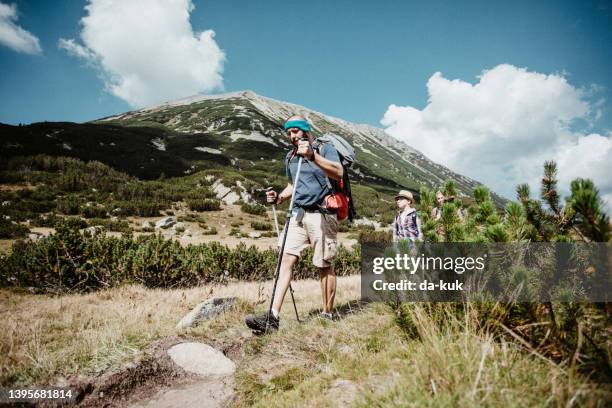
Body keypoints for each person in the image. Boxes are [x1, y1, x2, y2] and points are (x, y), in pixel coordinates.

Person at [245, 115, 344, 333]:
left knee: (324, 264)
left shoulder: (324, 147)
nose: (292, 136)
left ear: (306, 130)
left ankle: (327, 313)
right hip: (297, 215)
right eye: (289, 133)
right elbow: (293, 184)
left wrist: (312, 156)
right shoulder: (290, 157)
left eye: (296, 131)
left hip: (322, 214)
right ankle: (273, 317)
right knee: (285, 261)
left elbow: (338, 172)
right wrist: (279, 198)